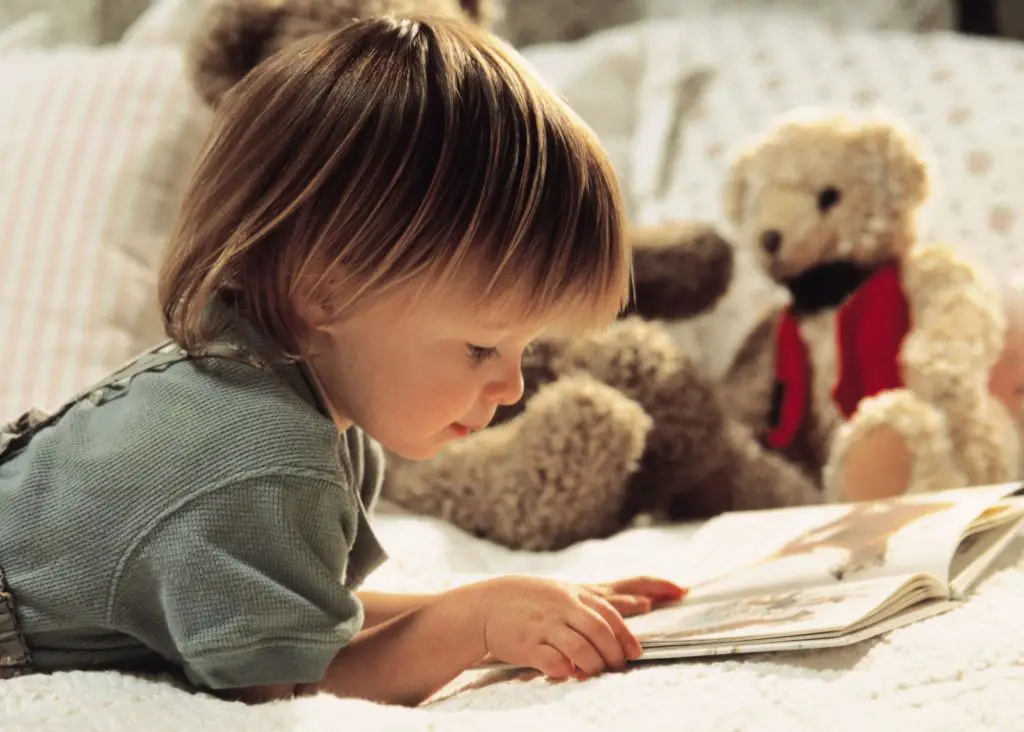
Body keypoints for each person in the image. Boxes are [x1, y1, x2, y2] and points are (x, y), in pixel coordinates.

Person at [0, 16, 687, 707]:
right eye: (481, 346)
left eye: (523, 349)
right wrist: (474, 624)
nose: (510, 389)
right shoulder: (260, 456)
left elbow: (302, 613)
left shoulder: (267, 383)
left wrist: (518, 606)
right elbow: (284, 689)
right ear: (328, 289)